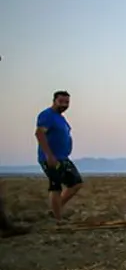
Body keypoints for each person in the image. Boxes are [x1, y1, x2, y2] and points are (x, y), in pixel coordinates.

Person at [35, 90, 84, 221]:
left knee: (76, 183)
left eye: (67, 102)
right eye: (61, 101)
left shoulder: (61, 118)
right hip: (51, 158)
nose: (64, 105)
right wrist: (49, 155)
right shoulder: (47, 115)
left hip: (63, 158)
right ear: (54, 101)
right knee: (56, 187)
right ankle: (58, 219)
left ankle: (55, 209)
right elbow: (39, 134)